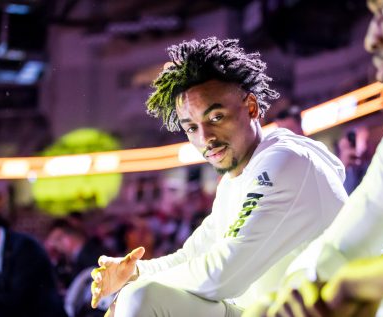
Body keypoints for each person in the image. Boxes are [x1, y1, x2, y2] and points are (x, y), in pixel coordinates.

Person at [90, 37, 348, 317]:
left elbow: (221, 276)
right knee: (141, 295)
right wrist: (135, 272)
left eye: (215, 118)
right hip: (268, 310)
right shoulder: (235, 179)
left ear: (251, 107)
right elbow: (193, 257)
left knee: (139, 298)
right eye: (191, 128)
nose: (205, 139)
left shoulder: (284, 162)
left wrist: (135, 287)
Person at [259, 0, 383, 315]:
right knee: (265, 303)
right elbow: (341, 243)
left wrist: (353, 281)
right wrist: (305, 289)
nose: (370, 40)